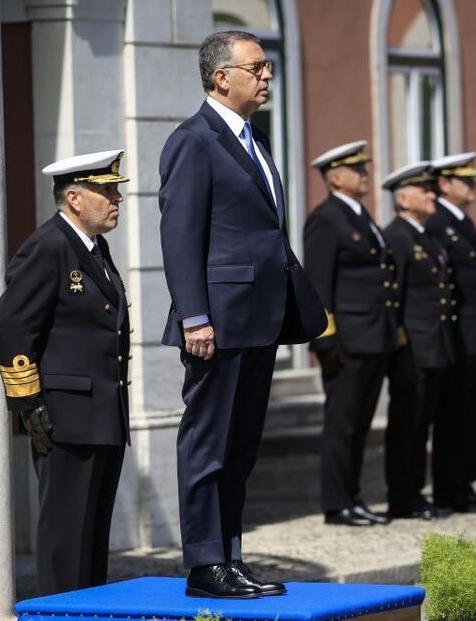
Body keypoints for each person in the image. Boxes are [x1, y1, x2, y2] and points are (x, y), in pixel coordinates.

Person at [158, 30, 326, 599]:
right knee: (208, 443)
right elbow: (180, 237)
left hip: (259, 319)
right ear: (219, 76)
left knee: (240, 446)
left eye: (267, 66)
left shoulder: (253, 139)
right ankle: (205, 564)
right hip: (217, 321)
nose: (267, 75)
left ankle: (229, 556)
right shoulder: (194, 140)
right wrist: (194, 317)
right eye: (255, 67)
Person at [0, 150, 131, 595]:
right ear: (74, 198)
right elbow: (11, 328)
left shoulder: (93, 247)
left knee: (90, 543)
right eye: (106, 190)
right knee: (65, 544)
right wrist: (29, 404)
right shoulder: (48, 246)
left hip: (100, 417)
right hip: (65, 420)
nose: (117, 198)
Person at [303, 140, 398, 527]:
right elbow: (318, 282)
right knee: (342, 423)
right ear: (335, 177)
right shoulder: (327, 218)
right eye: (357, 170)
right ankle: (337, 503)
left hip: (374, 335)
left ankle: (353, 497)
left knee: (359, 424)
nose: (365, 175)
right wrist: (325, 339)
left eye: (364, 168)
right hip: (348, 341)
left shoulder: (361, 216)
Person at [425, 152, 476, 513]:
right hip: (458, 335)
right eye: (465, 180)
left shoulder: (465, 223)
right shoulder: (438, 223)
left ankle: (465, 484)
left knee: (473, 416)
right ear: (444, 184)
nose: (473, 186)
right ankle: (447, 487)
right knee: (453, 418)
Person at [381, 162, 454, 520]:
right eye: (425, 191)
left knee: (422, 425)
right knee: (406, 426)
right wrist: (401, 345)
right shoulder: (397, 236)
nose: (433, 195)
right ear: (405, 198)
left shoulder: (425, 235)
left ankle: (416, 492)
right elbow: (393, 297)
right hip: (412, 348)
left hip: (434, 345)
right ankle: (402, 496)